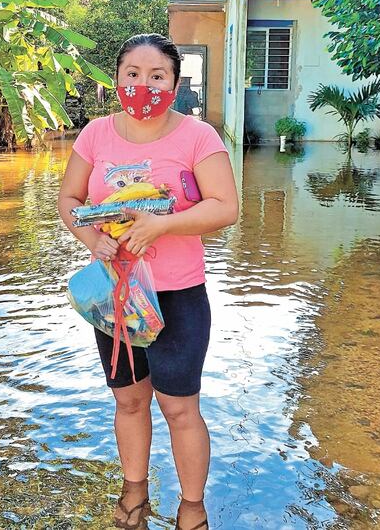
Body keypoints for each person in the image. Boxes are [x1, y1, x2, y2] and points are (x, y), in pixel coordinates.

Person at [58, 33, 239, 529]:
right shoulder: (96, 135)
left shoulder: (197, 137)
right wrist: (90, 238)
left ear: (175, 83)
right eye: (132, 75)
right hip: (116, 295)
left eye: (156, 76)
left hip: (177, 295)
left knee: (180, 408)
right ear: (116, 81)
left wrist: (162, 224)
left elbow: (226, 206)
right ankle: (134, 493)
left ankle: (192, 507)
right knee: (129, 400)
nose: (143, 85)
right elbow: (69, 200)